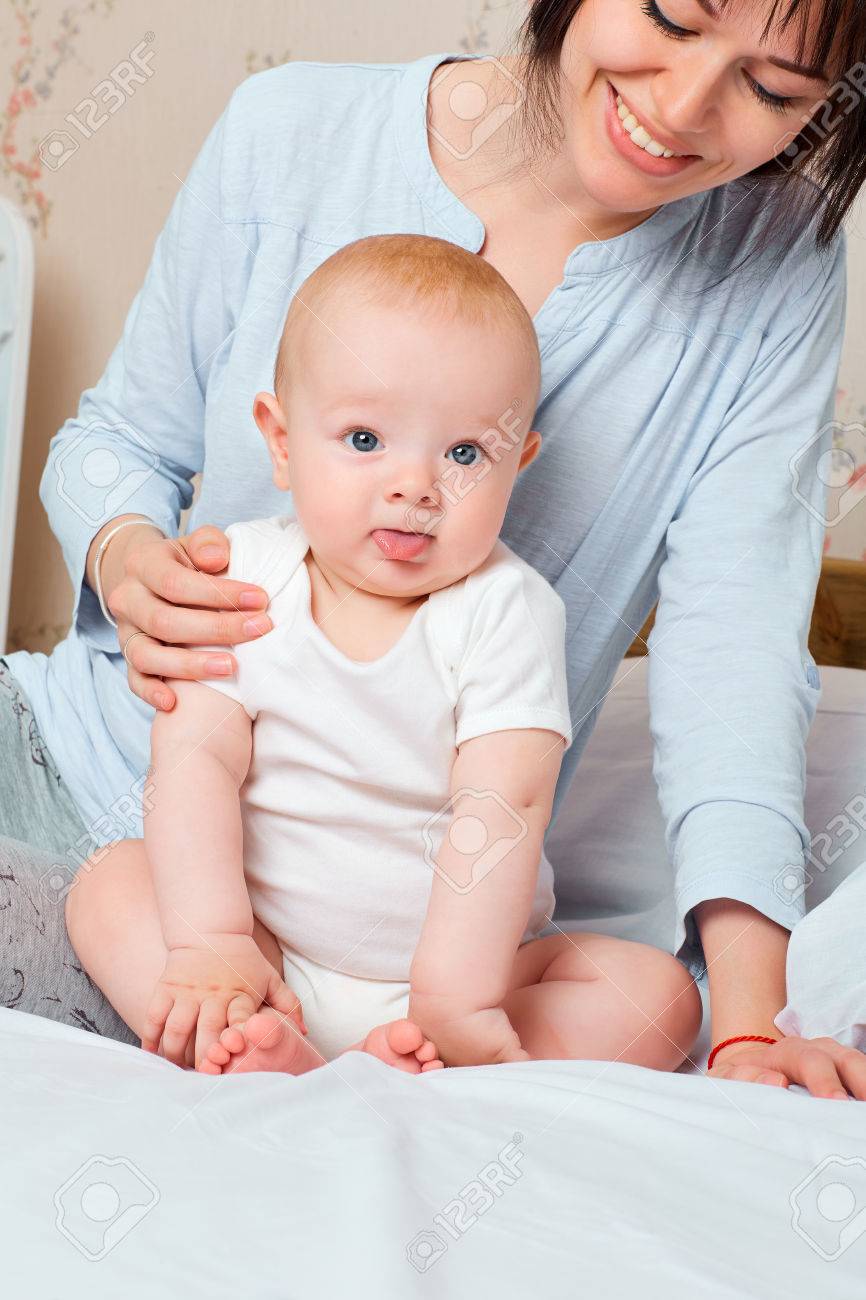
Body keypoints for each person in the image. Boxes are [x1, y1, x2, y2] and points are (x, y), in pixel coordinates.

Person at [3, 0, 866, 1097]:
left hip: (428, 942)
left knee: (657, 1002)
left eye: (775, 90)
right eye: (669, 16)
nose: (683, 105)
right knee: (103, 910)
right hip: (74, 770)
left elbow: (733, 656)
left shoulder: (772, 268)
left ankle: (327, 1059)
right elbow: (111, 441)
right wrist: (128, 557)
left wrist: (751, 1027)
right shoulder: (288, 128)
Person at [64, 233, 701, 1077]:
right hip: (267, 950)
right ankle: (257, 1036)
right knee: (108, 886)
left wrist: (457, 999)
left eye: (465, 454)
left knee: (658, 998)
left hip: (464, 979)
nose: (414, 487)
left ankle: (424, 1059)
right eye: (365, 440)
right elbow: (193, 767)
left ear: (519, 464)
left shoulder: (506, 614)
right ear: (282, 443)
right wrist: (215, 942)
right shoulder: (248, 578)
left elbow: (502, 806)